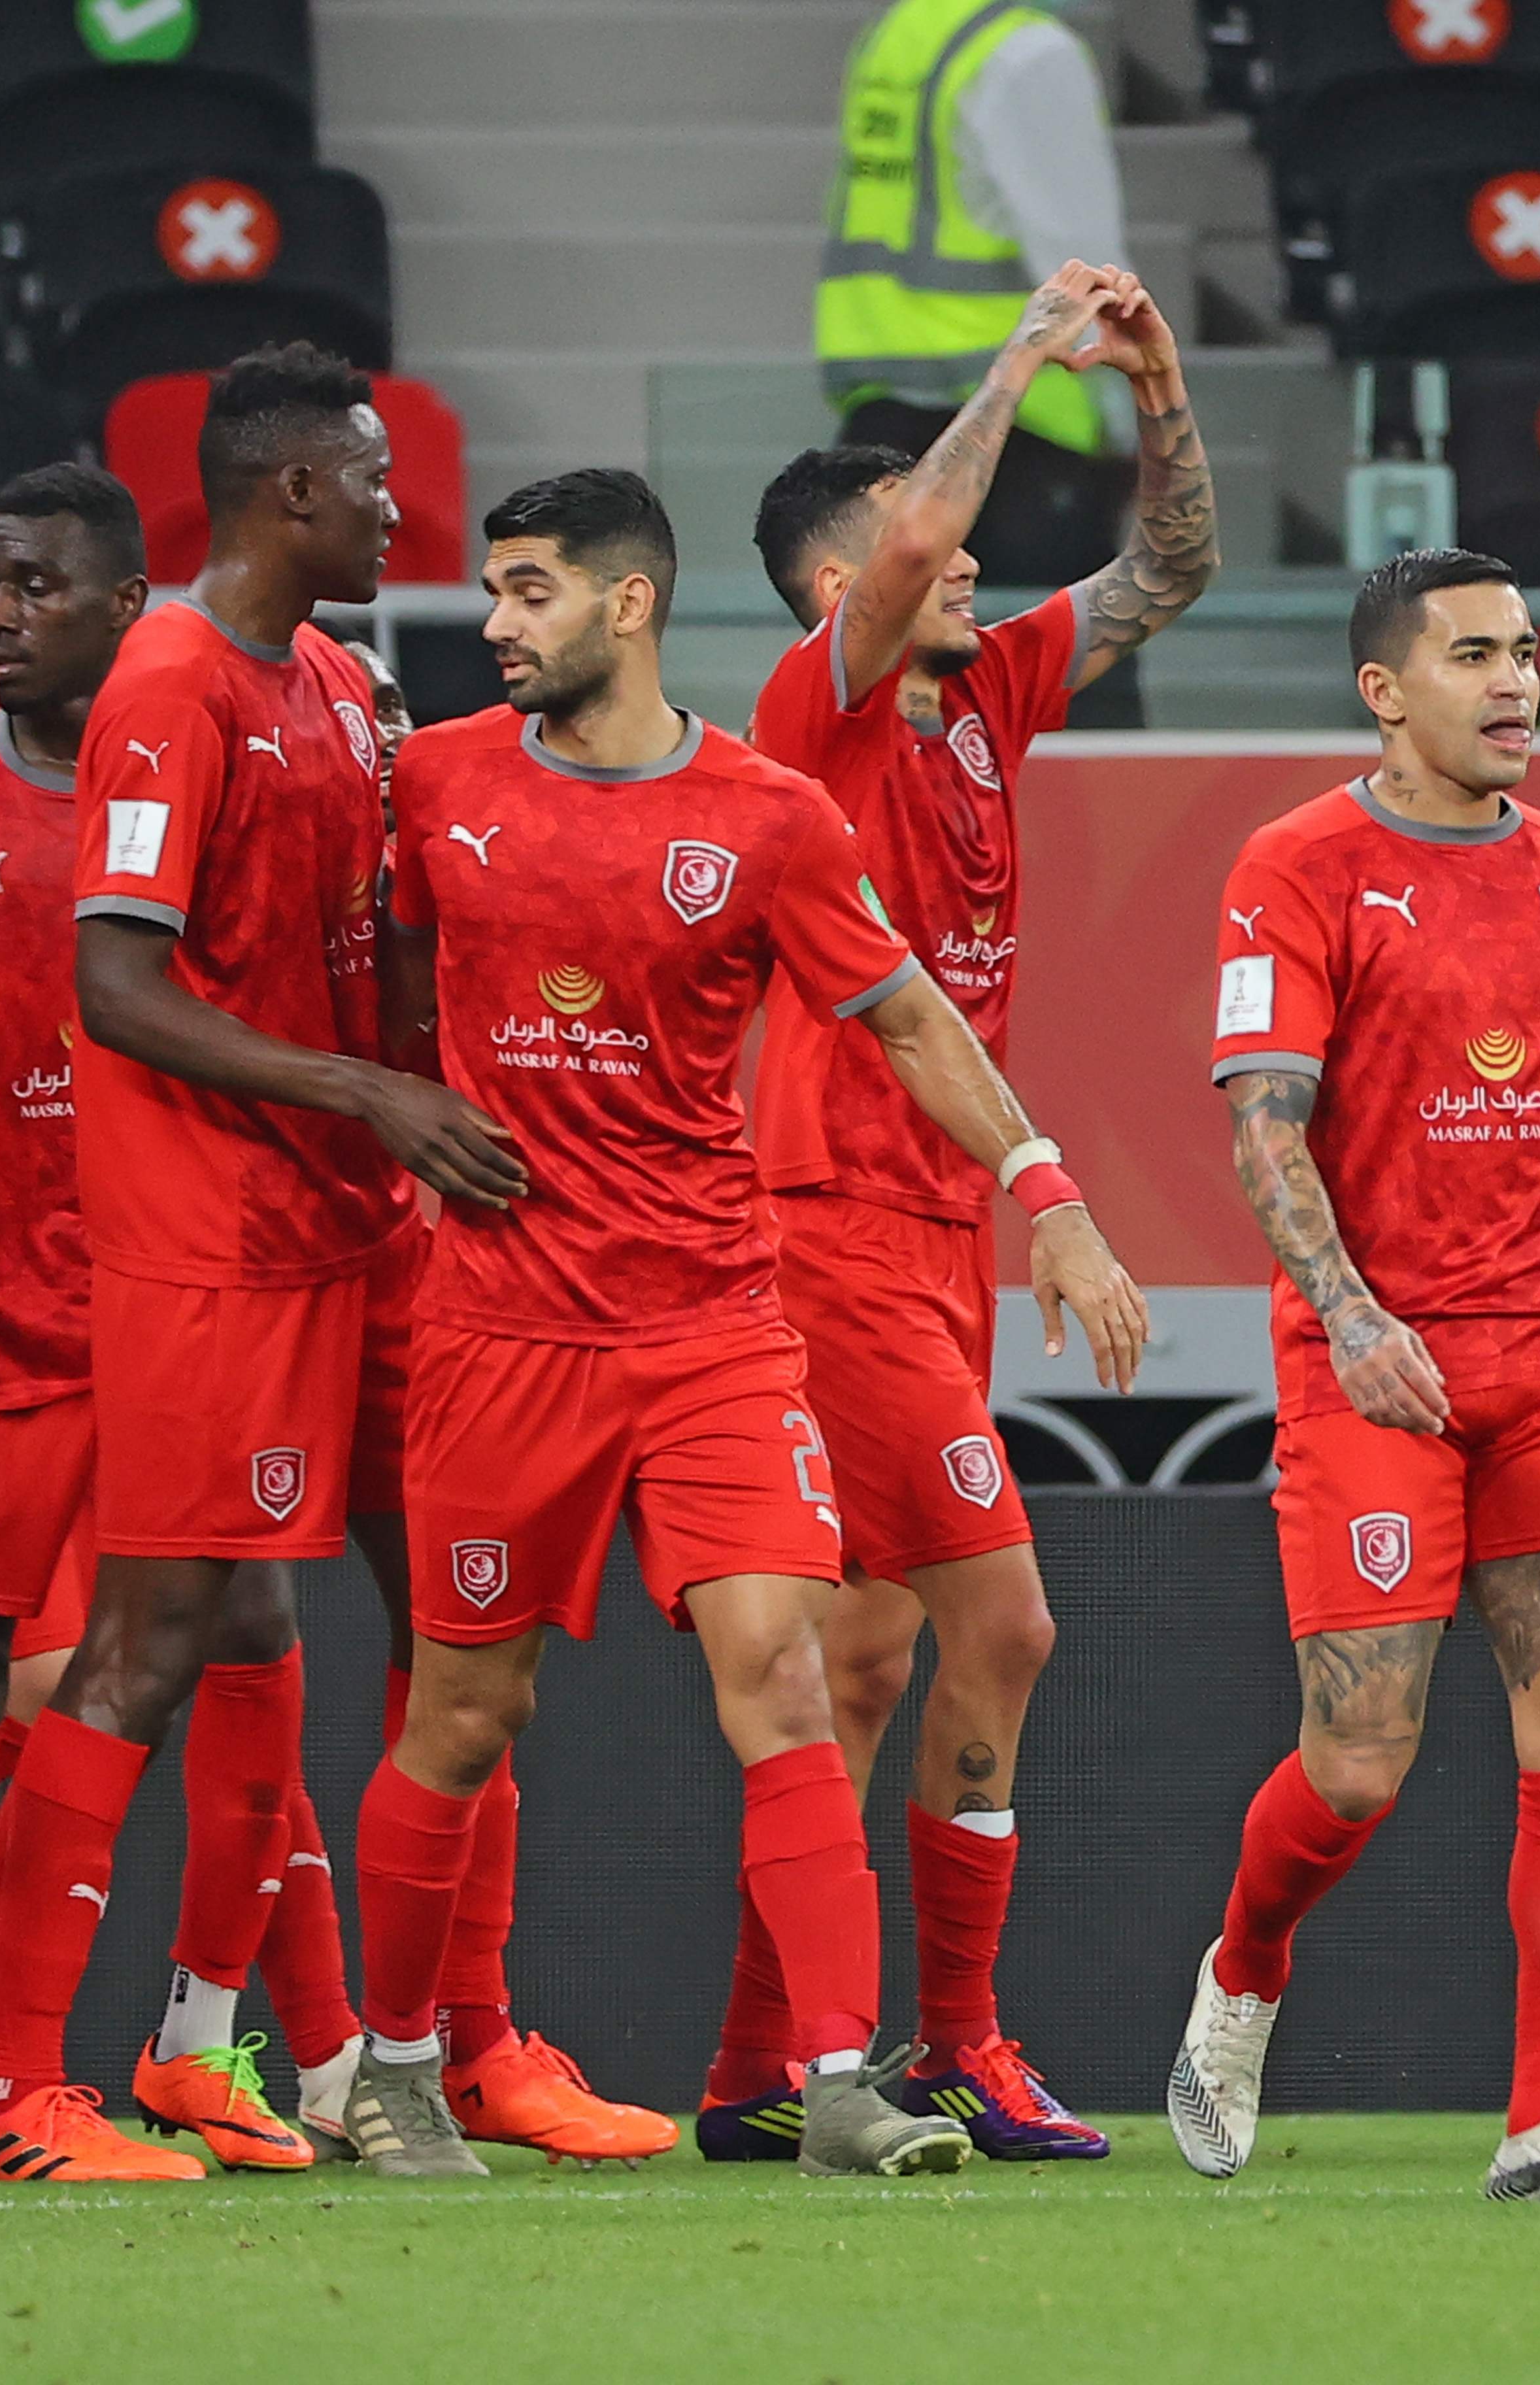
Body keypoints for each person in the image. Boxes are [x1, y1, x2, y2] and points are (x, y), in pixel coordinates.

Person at [346, 468, 1147, 2180]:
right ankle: (399, 2069)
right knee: (461, 1714)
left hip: (716, 1323)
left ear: (628, 605)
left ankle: (837, 2078)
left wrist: (1050, 1190)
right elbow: (375, 985)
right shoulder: (435, 784)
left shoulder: (768, 811)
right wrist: (393, 1111)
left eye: (534, 589)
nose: (499, 622)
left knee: (787, 1672)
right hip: (500, 1332)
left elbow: (911, 1014)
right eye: (495, 590)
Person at [0, 463, 386, 2167]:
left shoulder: (209, 760)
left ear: (123, 609)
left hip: (189, 1297)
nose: (4, 618)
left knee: (251, 1636)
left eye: (33, 590)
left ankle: (182, 2045)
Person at [0, 345, 513, 2186]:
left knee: (441, 1623)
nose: (397, 506)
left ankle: (357, 2055)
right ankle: (10, 2096)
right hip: (210, 1243)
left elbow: (371, 943)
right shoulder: (169, 689)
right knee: (158, 1633)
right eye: (368, 477)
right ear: (287, 496)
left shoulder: (344, 686)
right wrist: (359, 1087)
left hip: (353, 1229)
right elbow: (117, 983)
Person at [701, 260, 1209, 2164]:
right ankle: (955, 2038)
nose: (978, 576)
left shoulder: (990, 687)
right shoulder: (804, 713)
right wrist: (1025, 354)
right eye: (935, 563)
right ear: (847, 593)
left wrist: (1156, 388)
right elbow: (928, 523)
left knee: (870, 1662)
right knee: (1008, 1625)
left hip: (941, 1232)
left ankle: (761, 2069)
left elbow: (1171, 573)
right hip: (831, 1218)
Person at [1173, 547, 1540, 2207]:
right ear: (1383, 691)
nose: (1514, 682)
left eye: (1524, 652)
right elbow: (1260, 1121)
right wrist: (1350, 1314)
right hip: (1370, 1367)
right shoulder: (1294, 864)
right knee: (1360, 1759)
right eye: (1472, 655)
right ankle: (1242, 1973)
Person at [815, 0, 1133, 585]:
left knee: (883, 673)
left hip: (881, 426)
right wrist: (1128, 420)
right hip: (1022, 436)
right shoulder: (1030, 54)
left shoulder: (895, 35)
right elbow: (1082, 260)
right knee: (1055, 673)